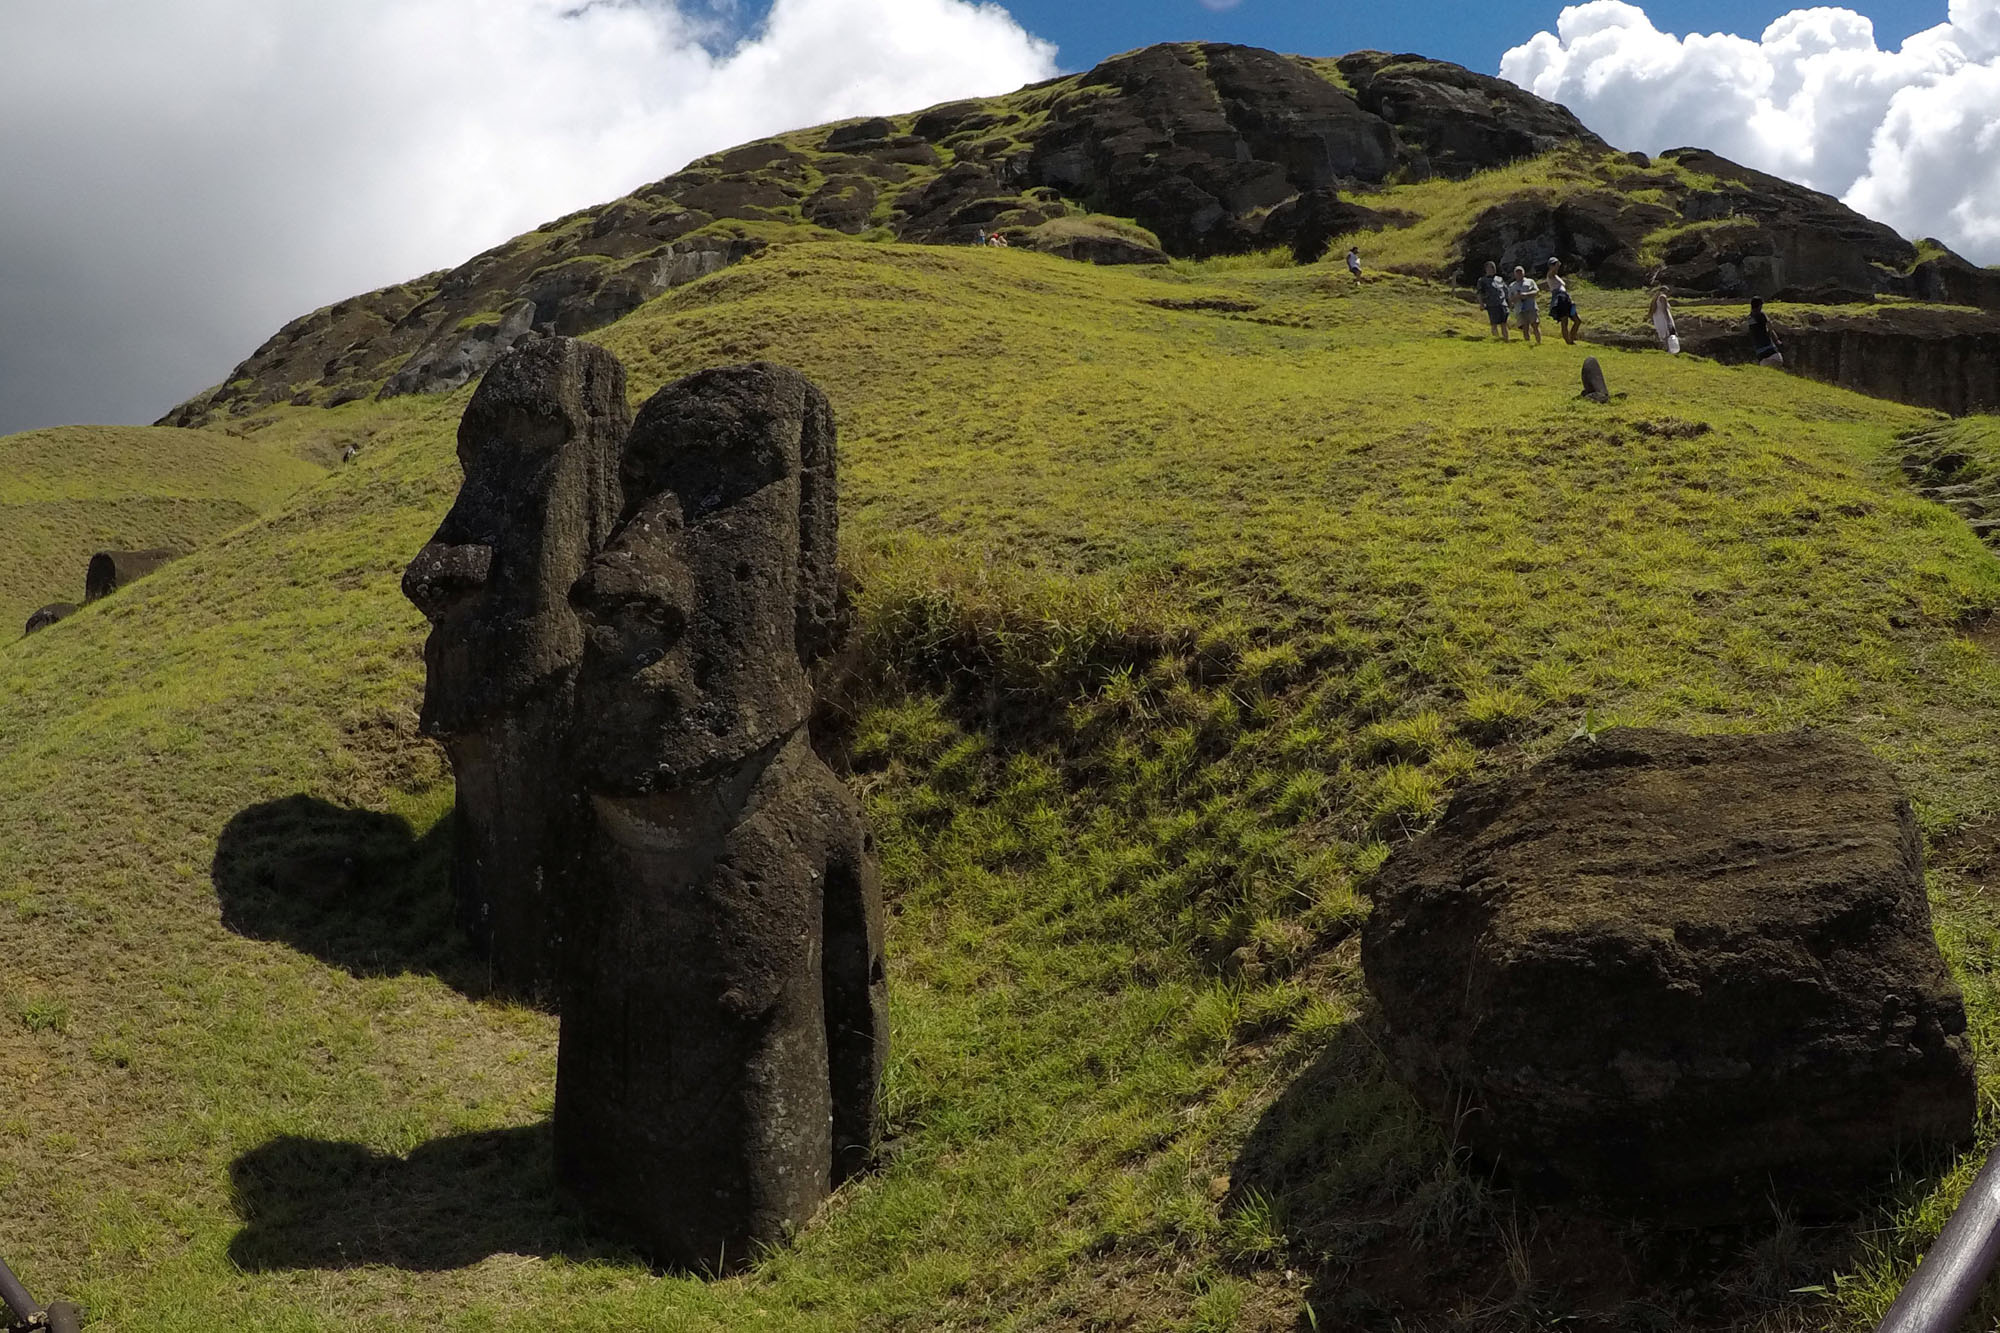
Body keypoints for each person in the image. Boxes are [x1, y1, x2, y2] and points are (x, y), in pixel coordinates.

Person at [1546, 259, 1582, 345]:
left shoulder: (1557, 276)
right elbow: (1551, 272)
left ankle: (1571, 338)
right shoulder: (1550, 275)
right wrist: (1554, 267)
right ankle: (1568, 341)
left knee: (1577, 320)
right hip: (1559, 298)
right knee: (1564, 321)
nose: (1557, 267)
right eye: (1555, 265)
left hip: (1565, 297)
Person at [1506, 265, 1541, 346]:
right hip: (1520, 309)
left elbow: (1536, 291)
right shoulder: (1512, 286)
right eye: (1517, 273)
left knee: (1535, 324)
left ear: (1523, 273)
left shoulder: (1530, 281)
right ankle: (1527, 342)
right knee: (1525, 327)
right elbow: (1510, 299)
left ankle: (1539, 342)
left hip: (1531, 307)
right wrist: (1516, 297)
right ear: (1514, 274)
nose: (1519, 274)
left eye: (1520, 272)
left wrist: (1526, 294)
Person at [1479, 261, 1511, 341]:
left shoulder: (1500, 279)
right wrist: (1481, 304)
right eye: (1491, 267)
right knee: (1494, 324)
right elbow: (1480, 293)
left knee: (1504, 323)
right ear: (1486, 269)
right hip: (1492, 304)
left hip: (1502, 304)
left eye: (1494, 267)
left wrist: (1509, 302)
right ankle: (1496, 340)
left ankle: (1506, 339)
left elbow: (1506, 291)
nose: (1493, 269)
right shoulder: (1482, 280)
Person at [1748, 297, 1784, 367]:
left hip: (1760, 355)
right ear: (1760, 306)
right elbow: (1770, 327)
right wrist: (1777, 340)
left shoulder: (1749, 318)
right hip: (1771, 353)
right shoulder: (1761, 314)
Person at [1649, 285, 1679, 353]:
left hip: (1658, 318)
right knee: (1669, 333)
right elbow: (1664, 309)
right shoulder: (1663, 297)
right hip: (1663, 318)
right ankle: (1670, 350)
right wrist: (1668, 320)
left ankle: (1667, 349)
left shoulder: (1656, 298)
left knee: (1665, 335)